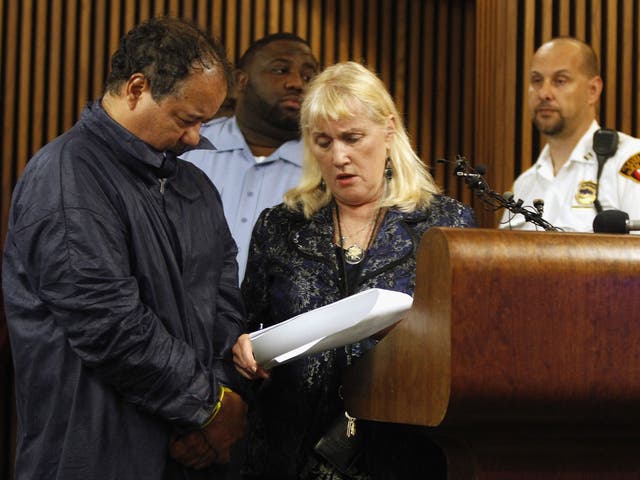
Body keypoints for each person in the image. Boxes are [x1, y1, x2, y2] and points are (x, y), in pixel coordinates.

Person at [2, 17, 249, 480]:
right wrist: (210, 406)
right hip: (97, 452)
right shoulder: (65, 175)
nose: (196, 138)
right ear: (137, 88)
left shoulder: (195, 185)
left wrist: (216, 403)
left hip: (193, 451)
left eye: (205, 122)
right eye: (186, 119)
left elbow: (224, 300)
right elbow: (108, 325)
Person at [232, 61, 476, 479]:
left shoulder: (445, 226)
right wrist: (241, 351)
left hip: (404, 453)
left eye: (352, 138)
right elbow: (245, 325)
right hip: (288, 452)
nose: (339, 156)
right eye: (323, 142)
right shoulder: (280, 226)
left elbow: (469, 349)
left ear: (389, 130)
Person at [181, 33, 319, 281]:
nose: (297, 83)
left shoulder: (325, 168)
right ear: (240, 81)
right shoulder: (190, 149)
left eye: (308, 76)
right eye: (280, 70)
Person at [500, 36, 640, 231]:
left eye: (560, 81)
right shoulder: (524, 184)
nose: (544, 93)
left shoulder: (627, 161)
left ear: (593, 90)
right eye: (537, 80)